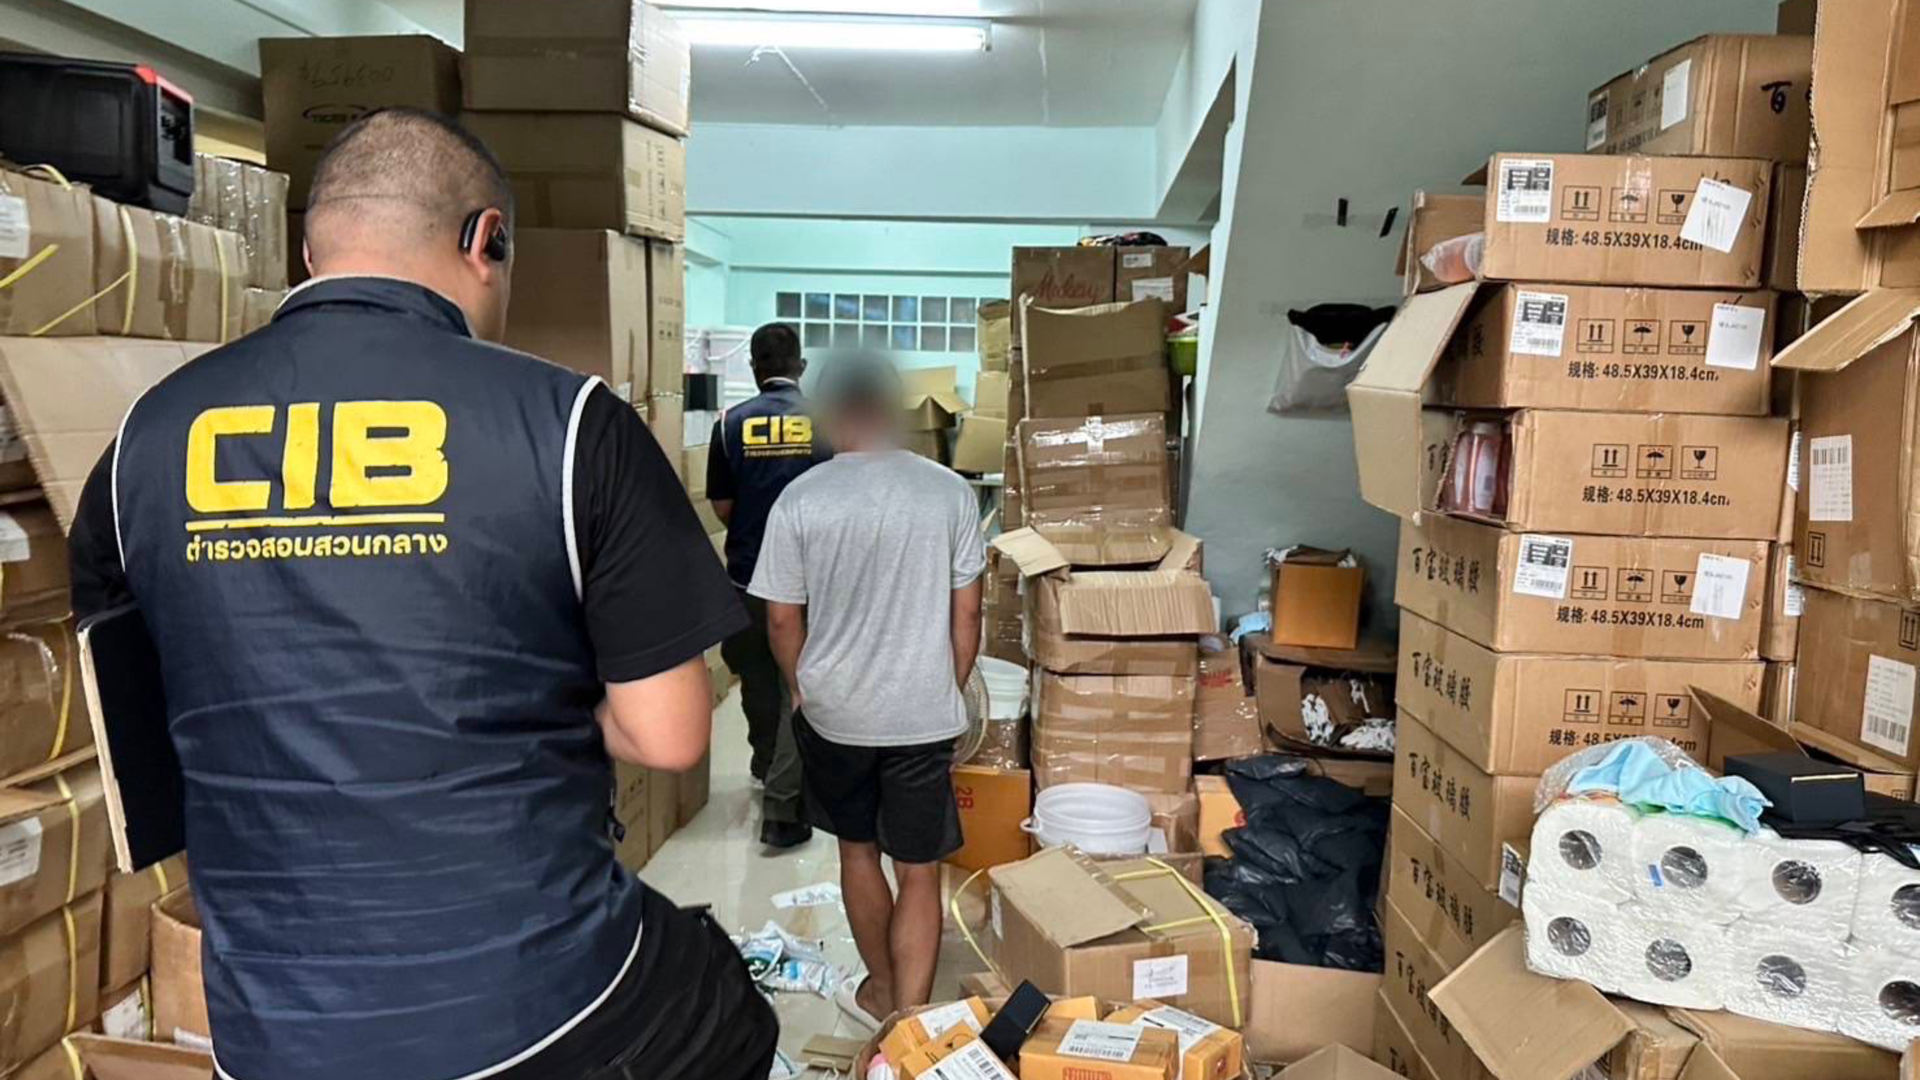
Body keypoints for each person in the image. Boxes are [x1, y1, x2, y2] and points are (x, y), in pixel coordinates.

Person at [66, 109, 778, 1080]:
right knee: (729, 1011)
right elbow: (670, 736)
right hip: (533, 1005)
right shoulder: (569, 424)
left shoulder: (142, 442)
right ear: (487, 240)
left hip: (268, 1023)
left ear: (310, 252)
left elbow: (145, 747)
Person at [748, 352, 985, 1028]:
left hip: (835, 713)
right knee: (919, 867)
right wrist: (945, 688)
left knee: (857, 851)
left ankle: (880, 992)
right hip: (922, 712)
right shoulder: (948, 493)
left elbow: (781, 619)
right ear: (894, 407)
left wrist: (802, 688)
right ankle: (912, 1016)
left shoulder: (802, 498)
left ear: (829, 412)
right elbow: (968, 613)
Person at [706, 324, 830, 850]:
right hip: (806, 582)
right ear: (801, 366)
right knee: (794, 686)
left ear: (753, 367)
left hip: (746, 576)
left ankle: (767, 764)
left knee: (756, 677)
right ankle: (783, 802)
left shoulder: (729, 424)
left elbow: (723, 507)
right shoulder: (824, 422)